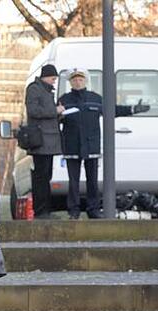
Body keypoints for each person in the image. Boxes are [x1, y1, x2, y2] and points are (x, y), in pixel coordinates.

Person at [58, 68, 150, 219]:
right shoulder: (64, 100)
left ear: (85, 81)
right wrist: (57, 115)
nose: (77, 82)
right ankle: (73, 211)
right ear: (70, 82)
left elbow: (112, 110)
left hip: (91, 145)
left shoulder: (95, 98)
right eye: (74, 80)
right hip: (72, 145)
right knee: (73, 182)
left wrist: (133, 109)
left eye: (80, 79)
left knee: (92, 181)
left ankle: (93, 210)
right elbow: (53, 118)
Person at [25, 64, 64, 219]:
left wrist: (60, 114)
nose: (54, 82)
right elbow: (33, 111)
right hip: (41, 141)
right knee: (41, 176)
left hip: (48, 141)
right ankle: (41, 211)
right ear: (46, 77)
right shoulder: (34, 89)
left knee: (46, 176)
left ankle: (45, 210)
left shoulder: (47, 91)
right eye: (53, 78)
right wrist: (55, 111)